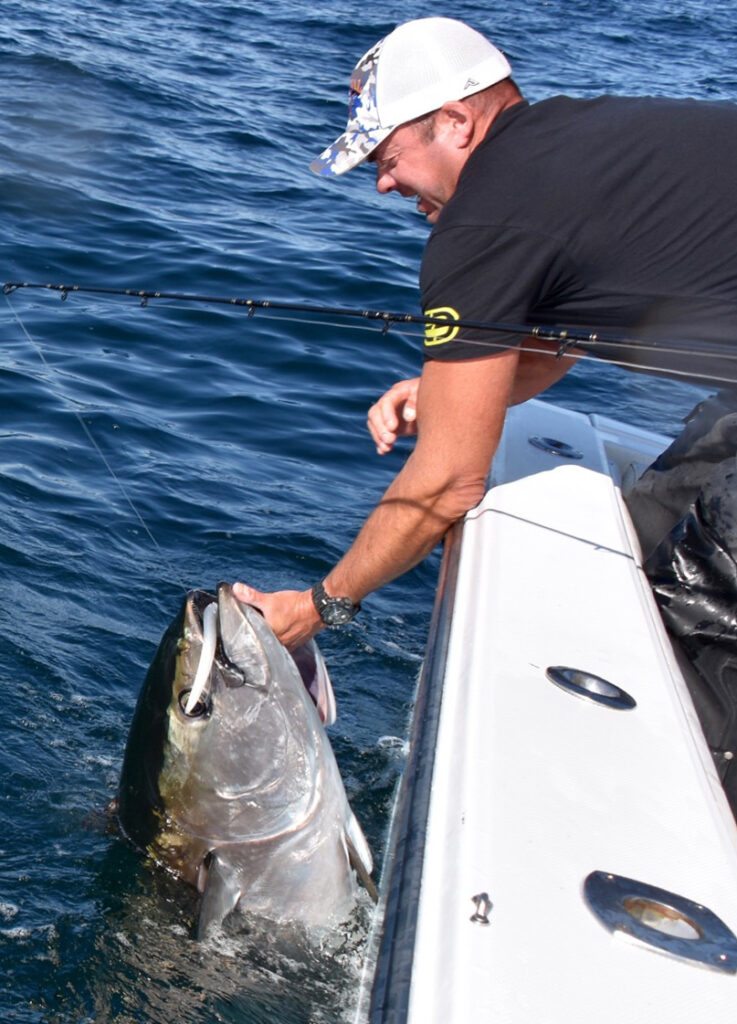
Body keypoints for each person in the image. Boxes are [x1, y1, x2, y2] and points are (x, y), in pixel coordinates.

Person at [234, 17, 737, 783]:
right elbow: (580, 326)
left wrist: (316, 609)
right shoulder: (580, 140)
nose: (382, 183)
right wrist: (457, 388)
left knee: (689, 642)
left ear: (455, 122)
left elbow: (447, 481)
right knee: (648, 533)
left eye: (388, 157)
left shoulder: (484, 221)